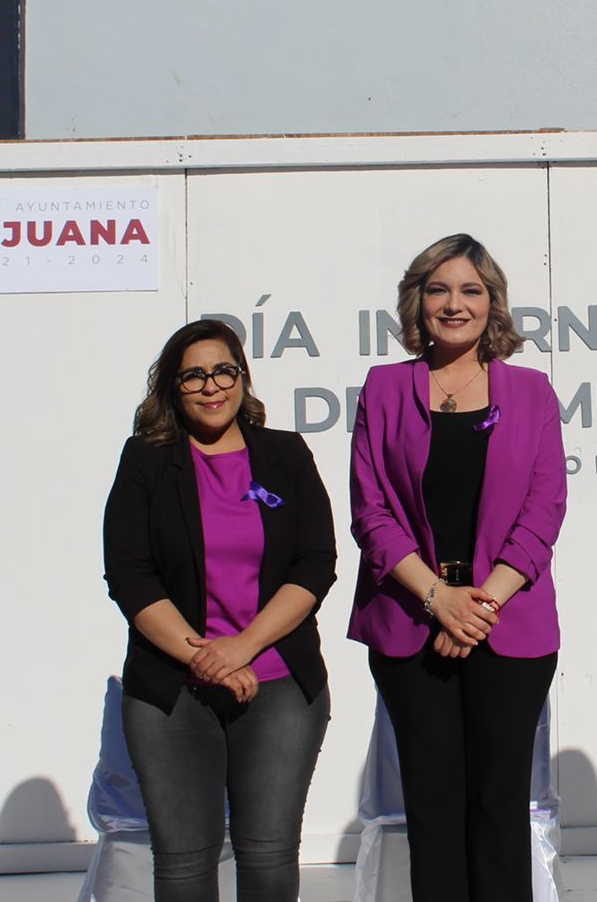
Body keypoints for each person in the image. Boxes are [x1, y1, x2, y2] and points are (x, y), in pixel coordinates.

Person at [347, 233, 566, 902]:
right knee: (433, 812)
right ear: (419, 300)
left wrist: (477, 608)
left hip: (509, 626)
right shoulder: (384, 390)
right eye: (439, 289)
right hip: (411, 624)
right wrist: (439, 598)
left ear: (492, 303)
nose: (454, 303)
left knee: (499, 811)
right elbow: (371, 511)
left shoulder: (530, 393)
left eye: (471, 289)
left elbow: (544, 509)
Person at [103, 318, 337, 902]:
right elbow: (129, 575)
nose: (211, 387)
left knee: (269, 858)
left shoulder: (285, 453)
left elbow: (315, 563)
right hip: (172, 690)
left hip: (279, 683)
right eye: (193, 377)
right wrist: (205, 657)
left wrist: (241, 647)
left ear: (243, 376)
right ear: (173, 389)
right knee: (183, 869)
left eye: (223, 371)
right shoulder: (145, 460)